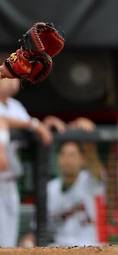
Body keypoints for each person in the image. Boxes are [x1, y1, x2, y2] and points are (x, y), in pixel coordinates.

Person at [0, 78, 52, 247]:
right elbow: (3, 121)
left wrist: (46, 123)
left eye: (14, 77)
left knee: (7, 237)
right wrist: (34, 124)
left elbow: (29, 127)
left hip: (8, 178)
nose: (12, 82)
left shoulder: (16, 106)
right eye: (6, 77)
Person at [48, 138, 105, 247]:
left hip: (89, 246)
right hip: (58, 246)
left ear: (82, 159)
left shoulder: (90, 181)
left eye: (72, 155)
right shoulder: (50, 188)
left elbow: (97, 171)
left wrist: (88, 139)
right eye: (63, 154)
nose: (67, 159)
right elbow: (37, 228)